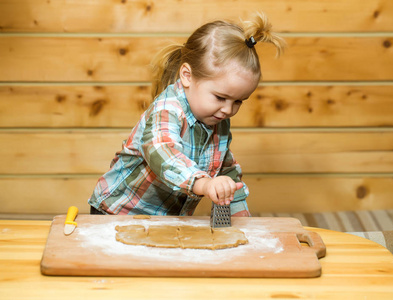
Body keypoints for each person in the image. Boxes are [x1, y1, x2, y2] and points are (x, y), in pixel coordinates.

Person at [88, 12, 285, 217]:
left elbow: (226, 171)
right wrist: (204, 184)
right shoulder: (167, 109)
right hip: (116, 213)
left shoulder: (218, 120)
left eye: (238, 101)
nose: (228, 110)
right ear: (187, 76)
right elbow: (162, 153)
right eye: (220, 97)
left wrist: (239, 214)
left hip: (164, 219)